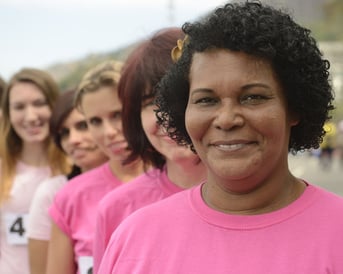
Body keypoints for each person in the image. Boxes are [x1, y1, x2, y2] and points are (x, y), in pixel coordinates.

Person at [98, 2, 343, 273]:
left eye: (253, 97)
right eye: (206, 100)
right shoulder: (135, 237)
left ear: (294, 106)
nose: (226, 119)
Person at [92, 27, 206, 273]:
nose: (165, 117)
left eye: (181, 96)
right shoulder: (116, 209)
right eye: (149, 103)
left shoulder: (256, 199)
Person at [46, 61, 145, 274]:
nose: (108, 131)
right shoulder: (70, 197)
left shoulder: (181, 179)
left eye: (117, 115)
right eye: (95, 121)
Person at [27, 89, 108, 274]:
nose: (73, 140)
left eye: (82, 126)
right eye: (64, 133)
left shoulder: (149, 182)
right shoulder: (52, 192)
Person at [0, 68, 70, 274]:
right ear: (8, 113)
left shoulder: (76, 168)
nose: (30, 117)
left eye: (39, 103)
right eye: (19, 107)